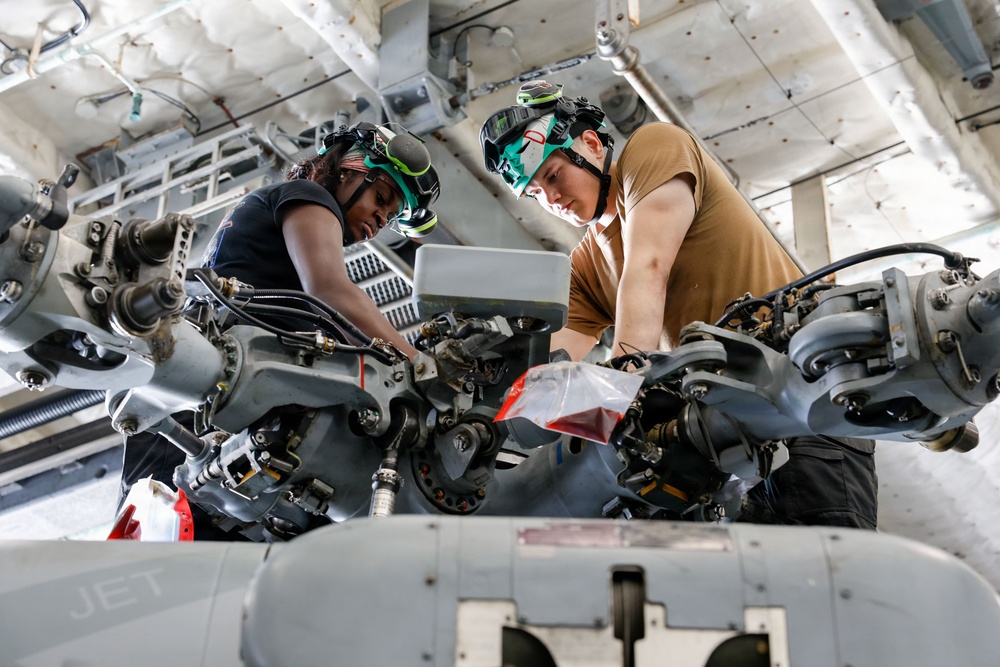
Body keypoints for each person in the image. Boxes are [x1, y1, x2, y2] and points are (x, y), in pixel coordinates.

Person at [479, 81, 877, 529]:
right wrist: (484, 416)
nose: (550, 199)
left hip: (799, 404)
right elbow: (546, 368)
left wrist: (625, 380)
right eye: (535, 193)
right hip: (720, 446)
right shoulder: (586, 266)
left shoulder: (653, 148)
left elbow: (648, 267)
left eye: (552, 176)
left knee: (828, 571)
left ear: (590, 144)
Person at [118, 121, 442, 538]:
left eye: (393, 214)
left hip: (191, 408)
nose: (382, 217)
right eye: (382, 197)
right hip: (201, 400)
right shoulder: (307, 196)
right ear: (348, 171)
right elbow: (329, 289)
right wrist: (415, 364)